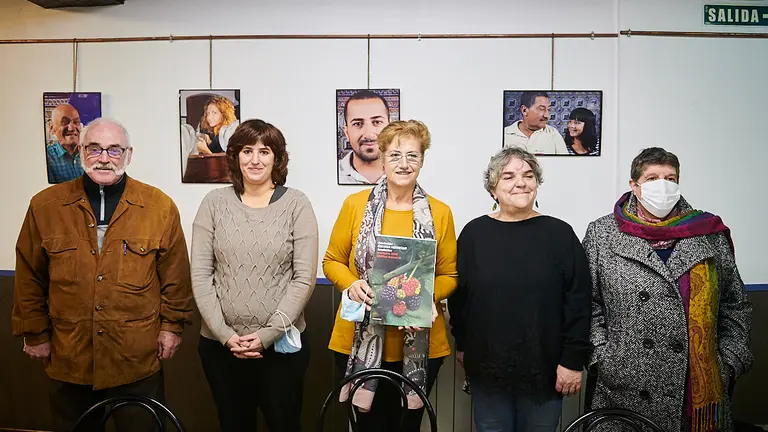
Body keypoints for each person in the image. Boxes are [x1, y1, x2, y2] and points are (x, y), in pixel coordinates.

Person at [13, 118, 194, 432]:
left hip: (135, 355)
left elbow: (175, 275)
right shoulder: (46, 206)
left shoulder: (158, 207)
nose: (104, 158)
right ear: (81, 151)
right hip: (70, 353)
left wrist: (172, 327)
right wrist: (35, 333)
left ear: (129, 154)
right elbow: (29, 276)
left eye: (114, 150)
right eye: (94, 148)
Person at [583, 147, 753, 432]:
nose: (662, 185)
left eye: (670, 178)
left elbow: (735, 304)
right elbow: (587, 303)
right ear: (634, 186)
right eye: (651, 178)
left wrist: (729, 361)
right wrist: (603, 357)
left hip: (698, 385)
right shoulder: (602, 233)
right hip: (624, 384)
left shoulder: (708, 232)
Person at [324, 120, 458, 431]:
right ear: (382, 158)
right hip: (357, 339)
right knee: (367, 427)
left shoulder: (440, 212)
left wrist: (423, 299)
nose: (404, 163)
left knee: (407, 427)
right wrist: (351, 283)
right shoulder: (355, 205)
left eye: (413, 155)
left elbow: (449, 275)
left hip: (419, 344)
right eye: (395, 154)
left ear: (422, 161)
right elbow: (332, 261)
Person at [448, 147, 592, 432]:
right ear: (493, 189)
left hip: (547, 370)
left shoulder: (560, 234)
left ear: (537, 184)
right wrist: (463, 345)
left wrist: (573, 361)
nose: (521, 182)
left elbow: (579, 300)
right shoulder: (473, 235)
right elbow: (460, 299)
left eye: (528, 175)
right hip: (488, 369)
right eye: (509, 176)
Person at [191, 119, 318, 432]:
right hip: (222, 349)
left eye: (265, 151)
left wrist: (265, 336)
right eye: (247, 150)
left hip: (281, 350)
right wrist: (224, 335)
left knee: (284, 424)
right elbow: (201, 275)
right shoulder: (213, 204)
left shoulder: (296, 204)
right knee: (233, 425)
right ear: (234, 156)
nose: (255, 159)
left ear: (277, 158)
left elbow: (303, 279)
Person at [338, 90, 391, 184]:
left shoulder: (407, 171)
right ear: (346, 132)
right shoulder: (333, 173)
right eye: (357, 124)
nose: (368, 134)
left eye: (377, 122)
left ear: (390, 127)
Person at [503, 91, 568, 155]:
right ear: (524, 110)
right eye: (541, 109)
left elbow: (565, 163)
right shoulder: (505, 134)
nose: (547, 116)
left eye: (548, 109)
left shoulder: (553, 134)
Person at [46, 103, 85, 183]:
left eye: (76, 122)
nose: (71, 128)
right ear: (52, 128)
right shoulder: (48, 158)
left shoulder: (89, 154)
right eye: (64, 122)